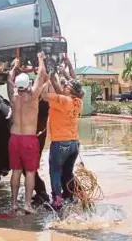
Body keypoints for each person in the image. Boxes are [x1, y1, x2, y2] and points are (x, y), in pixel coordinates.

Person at [7, 52, 47, 214]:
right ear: (28, 83)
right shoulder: (33, 96)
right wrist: (41, 60)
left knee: (16, 171)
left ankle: (14, 204)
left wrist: (15, 66)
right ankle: (27, 205)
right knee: (30, 173)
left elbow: (8, 79)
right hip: (29, 140)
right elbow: (42, 74)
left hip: (14, 138)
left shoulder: (13, 96)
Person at [42, 68, 84, 210]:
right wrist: (64, 74)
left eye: (66, 85)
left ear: (70, 90)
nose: (64, 86)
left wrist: (49, 76)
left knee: (55, 171)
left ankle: (57, 201)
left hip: (61, 143)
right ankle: (71, 196)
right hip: (74, 144)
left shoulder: (62, 100)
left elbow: (44, 95)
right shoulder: (78, 101)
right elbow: (71, 90)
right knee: (67, 172)